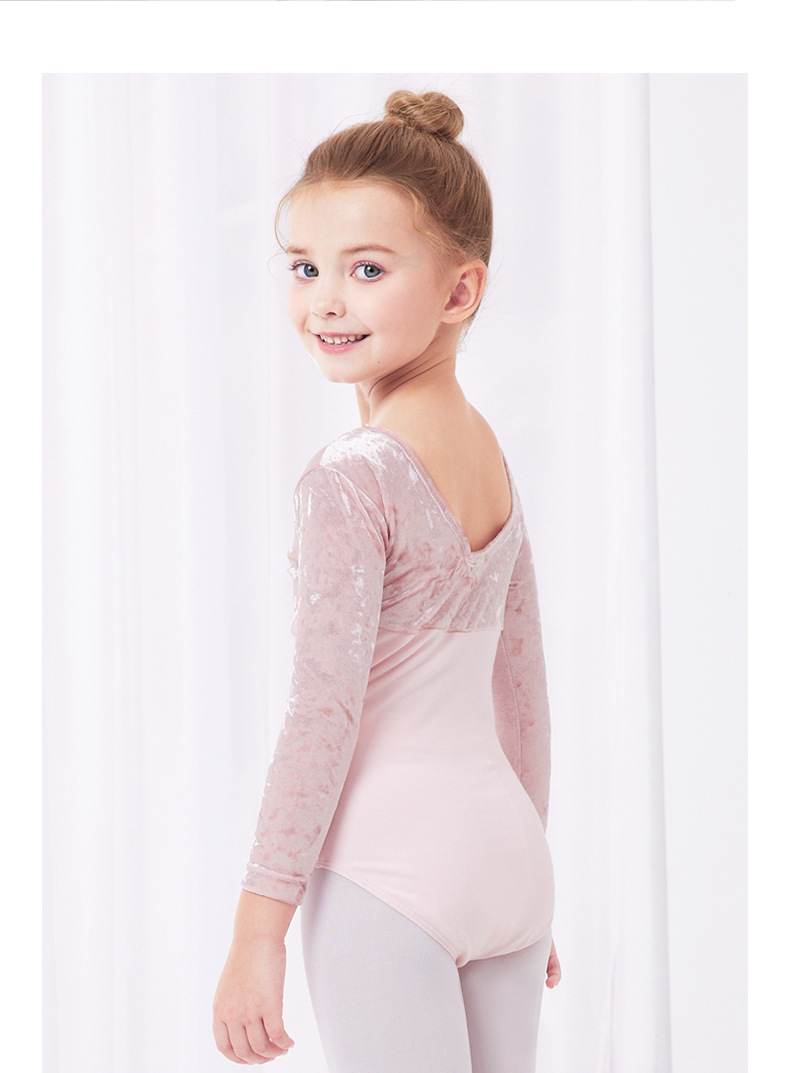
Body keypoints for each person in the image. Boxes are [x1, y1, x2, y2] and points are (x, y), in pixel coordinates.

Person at [213, 89, 561, 1072]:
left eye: (366, 269)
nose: (326, 299)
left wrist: (258, 930)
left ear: (459, 291)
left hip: (388, 867)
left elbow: (320, 713)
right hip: (507, 855)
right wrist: (529, 867)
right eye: (305, 267)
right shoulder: (488, 457)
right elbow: (524, 690)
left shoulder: (353, 474)